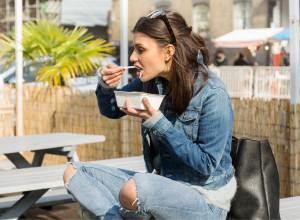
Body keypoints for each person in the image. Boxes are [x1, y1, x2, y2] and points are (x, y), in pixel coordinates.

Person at [63, 10, 236, 220]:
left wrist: (157, 122)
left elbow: (207, 163)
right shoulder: (152, 81)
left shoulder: (212, 93)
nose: (132, 57)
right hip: (161, 186)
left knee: (133, 190)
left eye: (140, 49)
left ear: (168, 52)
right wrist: (105, 85)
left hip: (205, 201)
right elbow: (112, 109)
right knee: (75, 173)